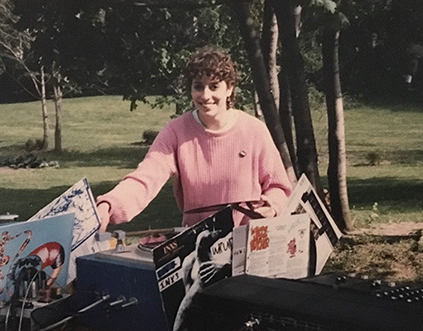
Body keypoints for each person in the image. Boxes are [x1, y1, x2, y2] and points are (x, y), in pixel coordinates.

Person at [95, 47, 292, 231]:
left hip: (250, 242)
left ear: (229, 88)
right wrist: (108, 205)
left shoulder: (254, 130)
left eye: (214, 86)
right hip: (198, 247)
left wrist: (272, 206)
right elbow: (145, 179)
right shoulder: (176, 131)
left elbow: (279, 187)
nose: (206, 95)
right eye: (199, 87)